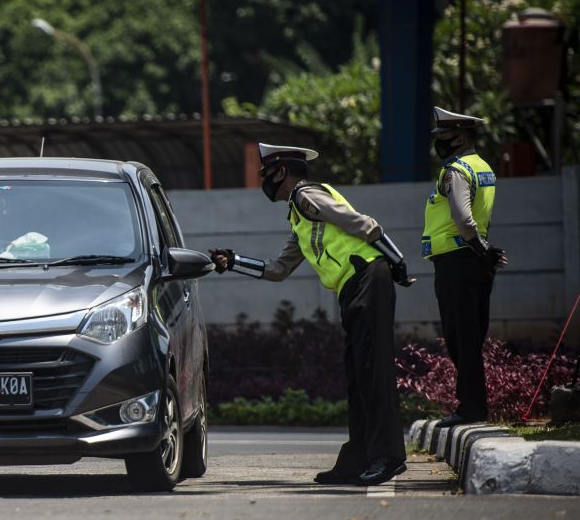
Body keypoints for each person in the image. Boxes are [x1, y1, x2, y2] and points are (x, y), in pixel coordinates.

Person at [209, 144, 414, 487]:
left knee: (373, 370)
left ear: (281, 172)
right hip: (354, 286)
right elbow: (278, 270)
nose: (264, 183)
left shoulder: (308, 196)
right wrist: (234, 262)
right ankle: (358, 458)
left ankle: (388, 457)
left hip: (367, 277)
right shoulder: (299, 215)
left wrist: (396, 260)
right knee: (357, 374)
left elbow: (363, 223)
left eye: (266, 175)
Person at [423, 107, 507, 426]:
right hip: (474, 262)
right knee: (471, 336)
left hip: (458, 261)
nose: (440, 143)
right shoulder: (483, 167)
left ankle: (471, 409)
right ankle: (473, 406)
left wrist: (479, 247)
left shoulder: (455, 170)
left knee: (461, 338)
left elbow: (463, 217)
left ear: (460, 137)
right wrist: (483, 252)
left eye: (443, 136)